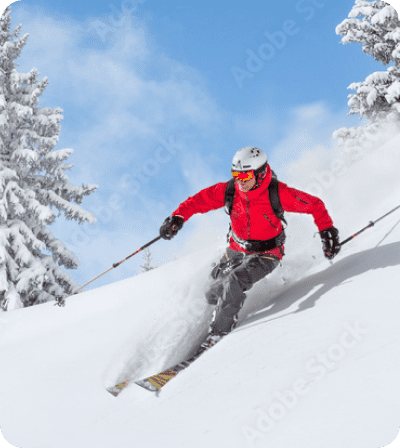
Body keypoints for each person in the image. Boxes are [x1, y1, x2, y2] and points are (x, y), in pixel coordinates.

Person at [159, 147, 341, 346]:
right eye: (236, 174)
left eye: (245, 175)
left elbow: (314, 204)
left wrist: (327, 230)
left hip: (267, 254)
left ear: (260, 173)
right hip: (236, 249)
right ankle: (218, 313)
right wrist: (177, 217)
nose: (240, 180)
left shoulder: (278, 194)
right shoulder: (230, 191)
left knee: (235, 280)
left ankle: (219, 333)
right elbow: (198, 201)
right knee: (213, 288)